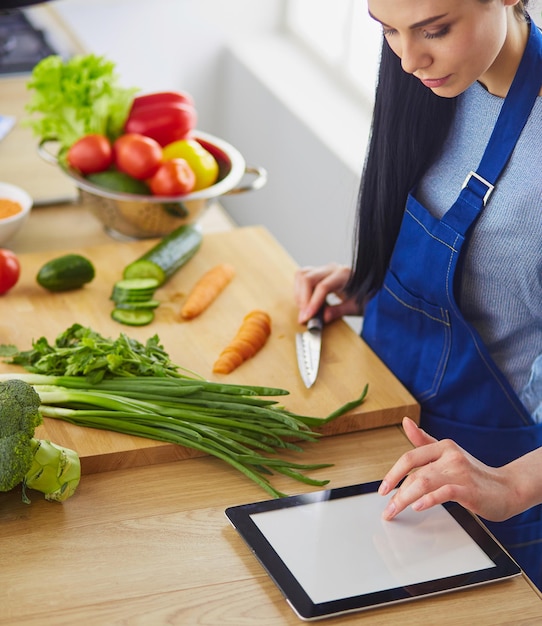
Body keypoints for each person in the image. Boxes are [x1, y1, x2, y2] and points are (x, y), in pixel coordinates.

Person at [294, 0, 542, 588]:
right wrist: (377, 281)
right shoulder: (436, 79)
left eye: (435, 30)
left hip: (498, 483)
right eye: (388, 32)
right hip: (386, 434)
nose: (408, 59)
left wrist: (510, 486)